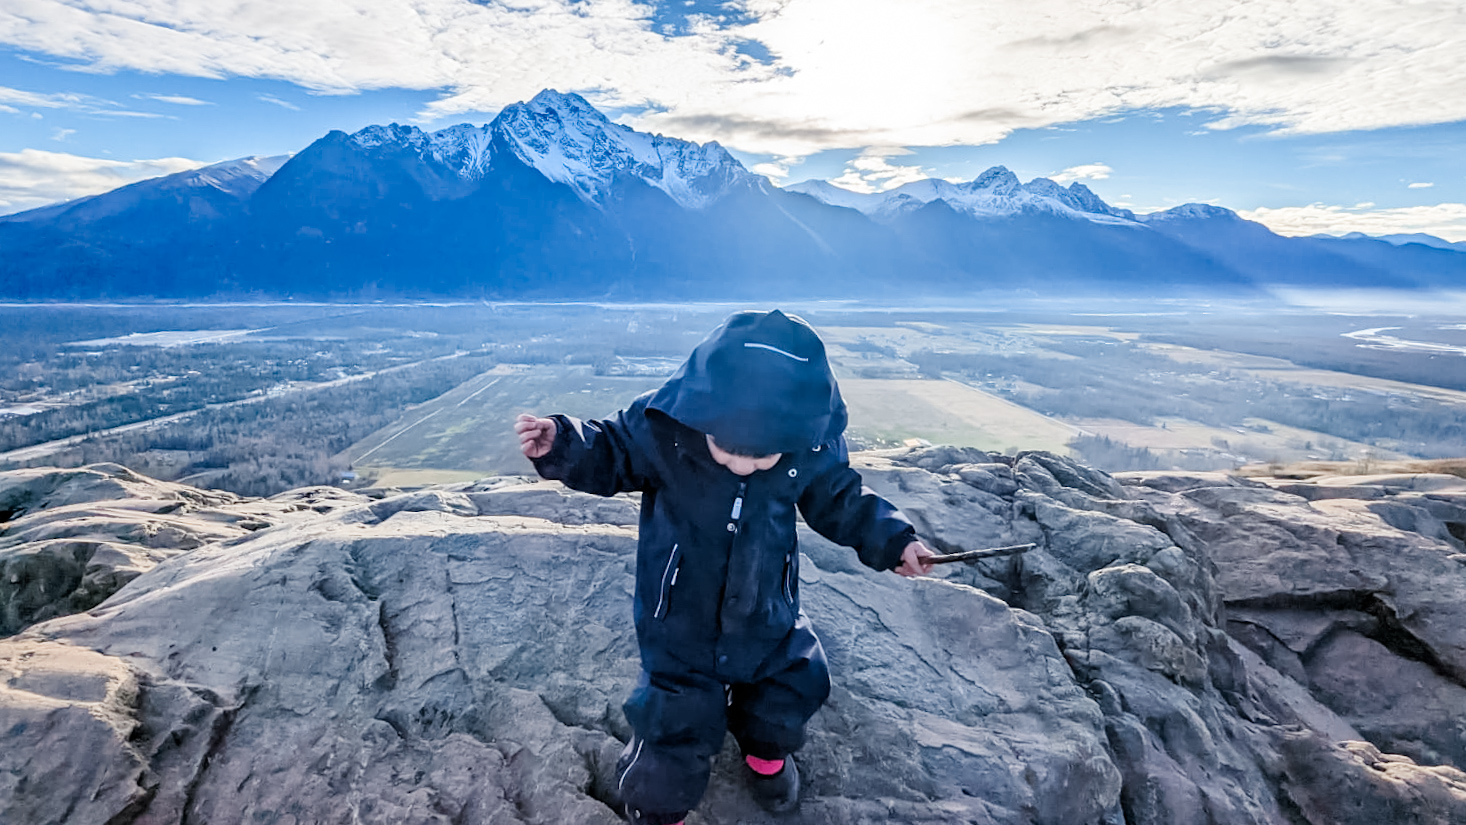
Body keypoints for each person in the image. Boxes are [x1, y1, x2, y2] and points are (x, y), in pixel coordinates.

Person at [514, 309, 935, 825]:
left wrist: (894, 542)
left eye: (762, 457)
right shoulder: (662, 428)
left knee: (792, 684)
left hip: (767, 612)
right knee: (673, 723)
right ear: (701, 412)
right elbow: (610, 451)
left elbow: (840, 497)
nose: (743, 464)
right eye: (729, 449)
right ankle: (658, 804)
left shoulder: (808, 444)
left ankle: (765, 752)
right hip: (680, 621)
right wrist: (563, 443)